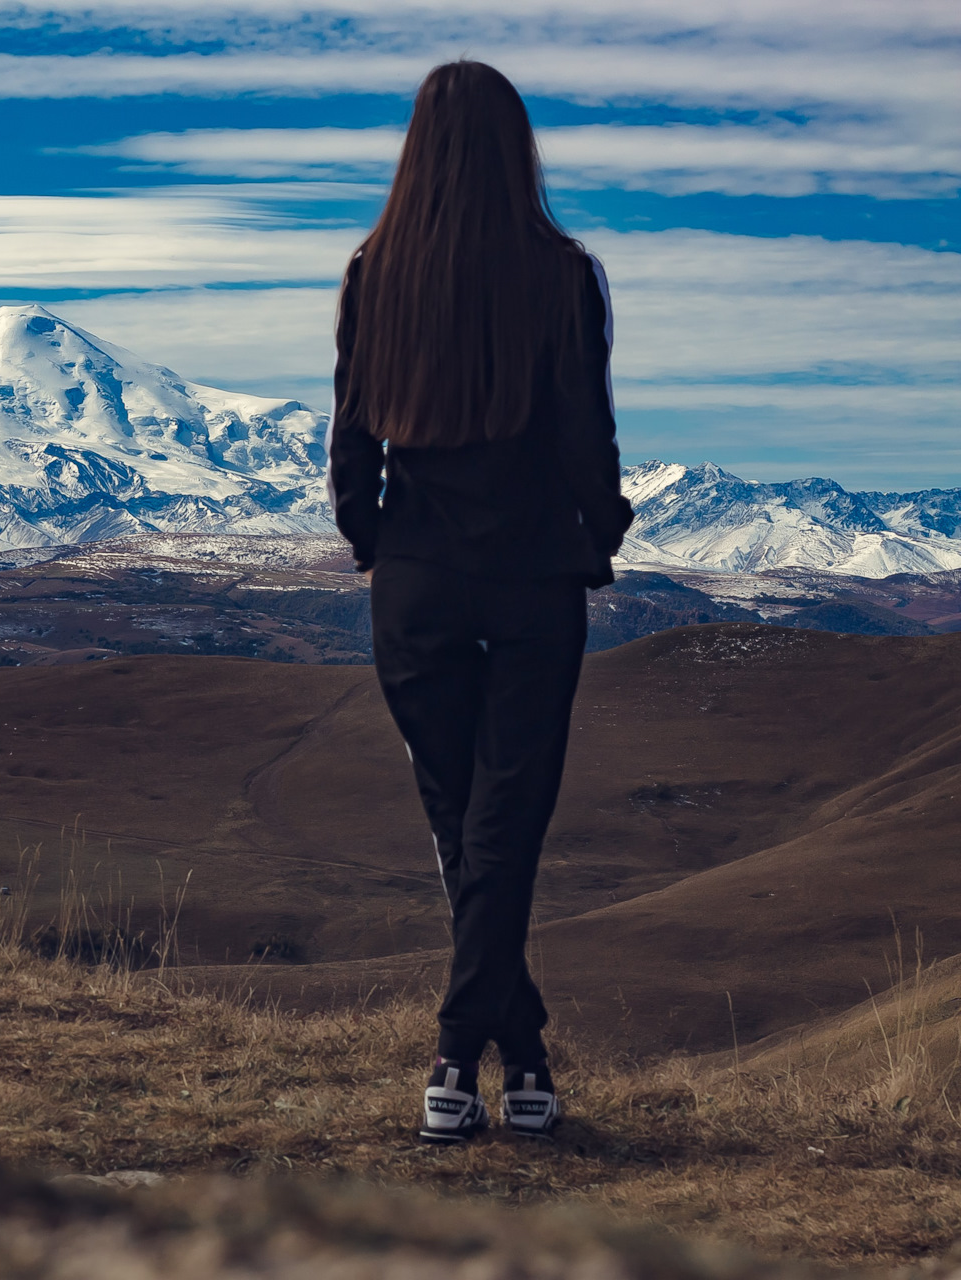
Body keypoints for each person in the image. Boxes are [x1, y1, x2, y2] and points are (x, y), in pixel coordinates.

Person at [326, 60, 633, 1144]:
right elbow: (584, 437)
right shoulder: (563, 275)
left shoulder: (376, 270)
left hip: (417, 584)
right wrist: (601, 535)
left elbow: (352, 439)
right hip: (535, 580)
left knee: (462, 824)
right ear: (519, 150)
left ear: (416, 148)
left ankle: (486, 1057)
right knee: (503, 826)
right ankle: (497, 1057)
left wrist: (375, 542)